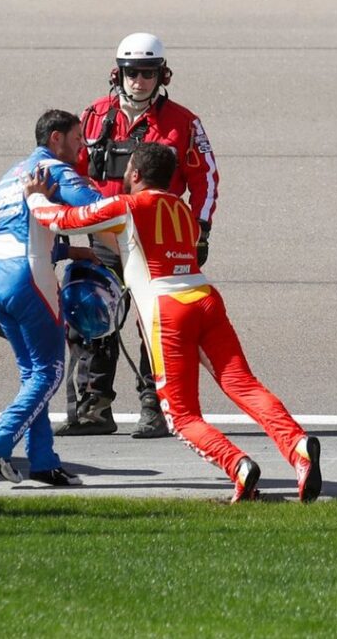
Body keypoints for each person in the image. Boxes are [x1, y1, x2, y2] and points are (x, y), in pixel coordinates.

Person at [25, 142, 320, 503]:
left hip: (168, 310)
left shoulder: (127, 205)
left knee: (181, 416)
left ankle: (238, 465)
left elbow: (64, 221)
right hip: (205, 298)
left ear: (135, 174)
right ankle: (297, 446)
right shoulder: (182, 208)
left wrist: (36, 198)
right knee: (243, 384)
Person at [60, 32, 221, 439]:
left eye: (148, 73)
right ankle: (93, 407)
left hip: (157, 243)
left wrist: (200, 230)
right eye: (132, 72)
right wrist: (71, 220)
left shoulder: (185, 122)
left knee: (157, 324)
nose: (140, 81)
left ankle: (158, 406)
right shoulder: (93, 115)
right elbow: (72, 171)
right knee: (88, 313)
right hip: (103, 235)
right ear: (118, 73)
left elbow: (207, 179)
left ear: (162, 75)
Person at [0, 109, 102, 486]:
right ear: (56, 139)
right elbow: (95, 207)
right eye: (78, 138)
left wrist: (73, 252)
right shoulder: (53, 170)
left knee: (33, 373)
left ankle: (44, 462)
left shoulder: (9, 175)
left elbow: (26, 230)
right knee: (49, 373)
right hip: (31, 278)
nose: (82, 146)